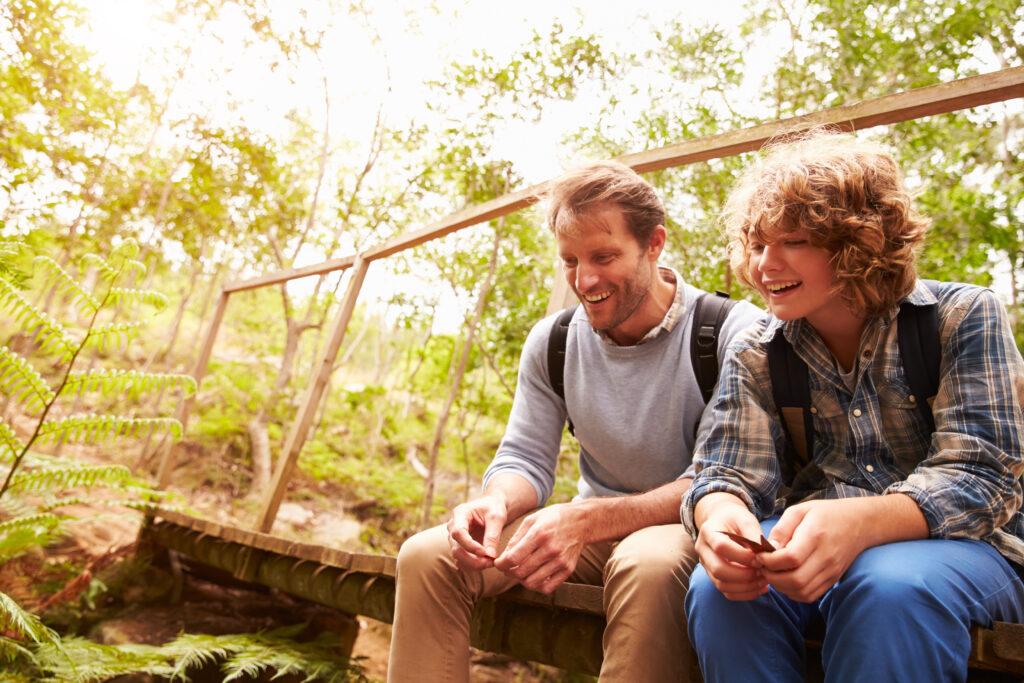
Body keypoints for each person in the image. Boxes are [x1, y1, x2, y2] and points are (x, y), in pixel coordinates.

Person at [388, 160, 763, 682]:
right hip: (592, 526)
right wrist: (496, 503)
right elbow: (524, 456)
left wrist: (586, 521)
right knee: (429, 556)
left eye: (604, 256)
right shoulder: (554, 341)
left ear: (654, 244)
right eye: (570, 260)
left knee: (648, 564)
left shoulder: (731, 332)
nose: (584, 280)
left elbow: (721, 479)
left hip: (688, 523)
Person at [682, 129, 1024, 682]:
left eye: (793, 241)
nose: (766, 264)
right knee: (721, 591)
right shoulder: (758, 351)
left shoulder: (961, 317)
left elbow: (984, 479)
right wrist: (721, 521)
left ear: (858, 242)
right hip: (811, 555)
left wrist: (863, 524)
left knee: (890, 587)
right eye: (758, 243)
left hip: (966, 552)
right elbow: (724, 471)